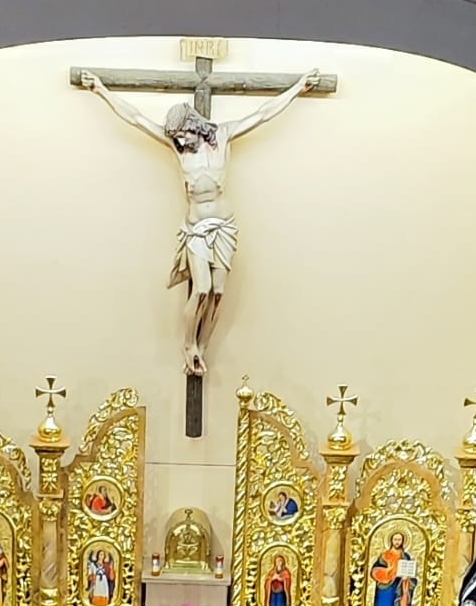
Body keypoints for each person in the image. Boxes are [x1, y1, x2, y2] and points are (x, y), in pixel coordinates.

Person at [77, 66, 321, 375]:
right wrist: (101, 90)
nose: (180, 141)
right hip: (196, 230)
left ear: (195, 126)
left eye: (183, 134)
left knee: (218, 291)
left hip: (224, 228)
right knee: (202, 288)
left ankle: (202, 346)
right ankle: (187, 344)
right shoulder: (178, 150)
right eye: (176, 137)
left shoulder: (224, 135)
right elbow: (136, 118)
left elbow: (263, 114)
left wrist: (297, 87)